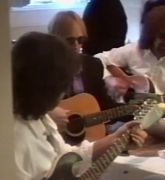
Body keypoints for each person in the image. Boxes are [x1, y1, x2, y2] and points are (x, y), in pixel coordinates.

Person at [12, 32, 147, 179]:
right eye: (63, 85)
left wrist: (116, 139)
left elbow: (66, 157)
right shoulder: (15, 139)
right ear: (48, 86)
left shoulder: (39, 115)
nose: (64, 92)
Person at [95, 5, 165, 102]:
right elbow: (97, 59)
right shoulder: (134, 50)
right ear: (152, 35)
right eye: (164, 36)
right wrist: (109, 79)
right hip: (132, 113)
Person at [48, 11, 118, 111]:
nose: (77, 46)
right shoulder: (44, 69)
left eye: (80, 40)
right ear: (56, 41)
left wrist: (132, 108)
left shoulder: (93, 65)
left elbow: (104, 104)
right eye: (70, 40)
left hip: (89, 124)